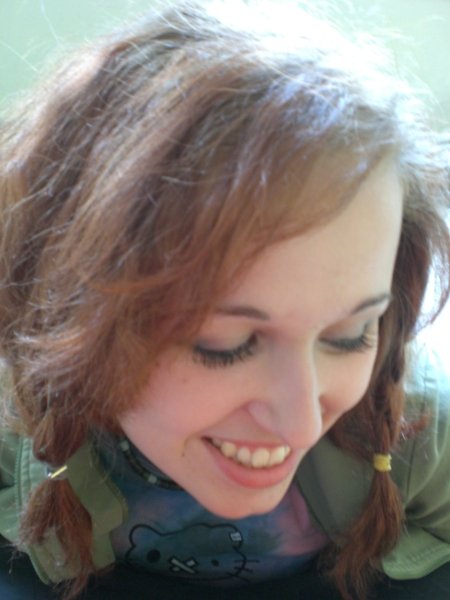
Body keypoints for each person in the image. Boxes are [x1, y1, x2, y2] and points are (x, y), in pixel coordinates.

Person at [0, 1, 449, 599]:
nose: (301, 423)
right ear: (71, 313)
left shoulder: (421, 435)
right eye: (225, 344)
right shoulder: (14, 425)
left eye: (350, 335)